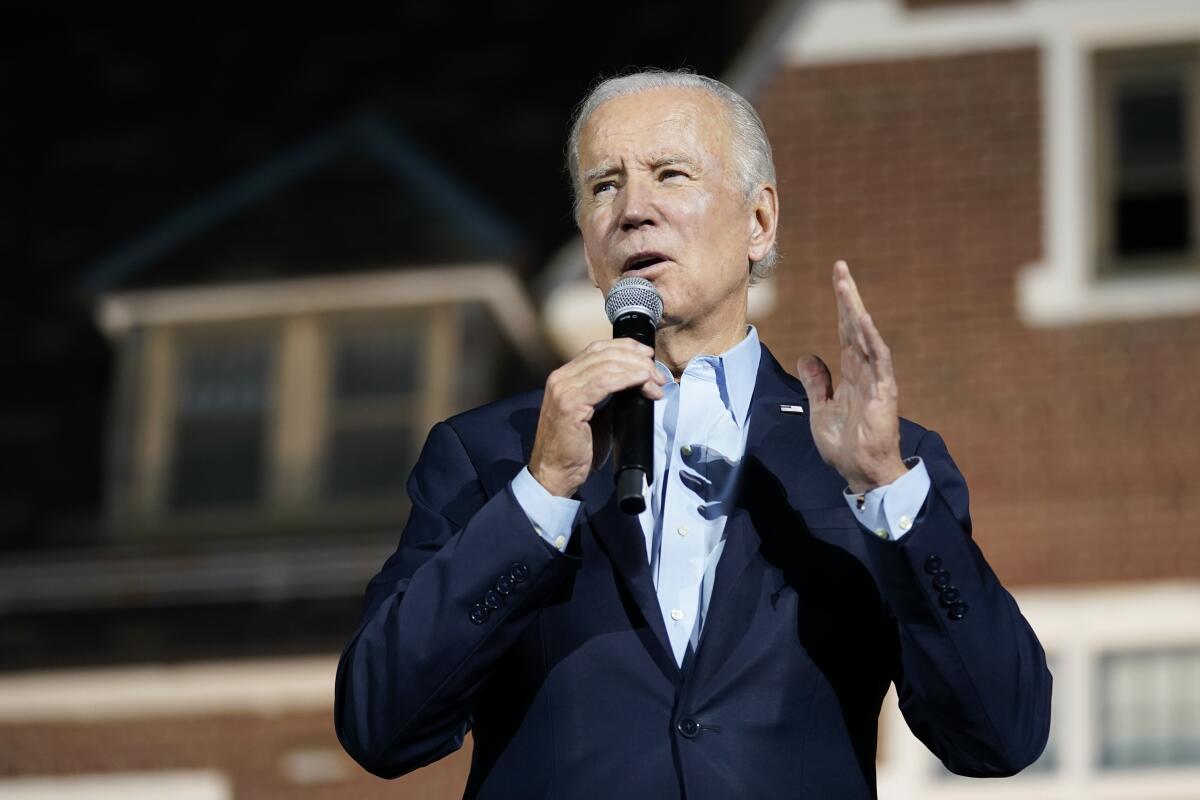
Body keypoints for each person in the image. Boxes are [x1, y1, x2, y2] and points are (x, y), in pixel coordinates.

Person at [334, 70, 1051, 799]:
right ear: (585, 239)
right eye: (603, 186)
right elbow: (380, 725)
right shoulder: (490, 453)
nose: (633, 210)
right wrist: (541, 494)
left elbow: (1000, 734)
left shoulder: (882, 461)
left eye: (669, 174)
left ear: (759, 221)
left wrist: (884, 490)